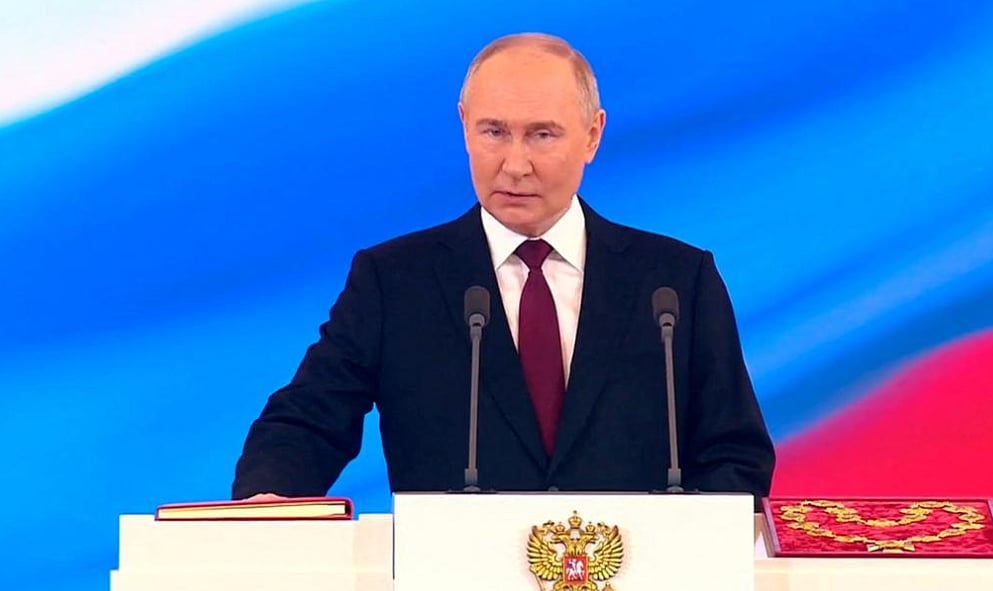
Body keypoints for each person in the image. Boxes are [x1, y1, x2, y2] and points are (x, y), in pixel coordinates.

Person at [232, 32, 775, 501]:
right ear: (465, 126)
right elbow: (307, 422)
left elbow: (735, 453)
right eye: (494, 132)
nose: (515, 164)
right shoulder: (394, 282)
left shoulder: (675, 283)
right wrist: (269, 498)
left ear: (592, 135)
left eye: (542, 134)